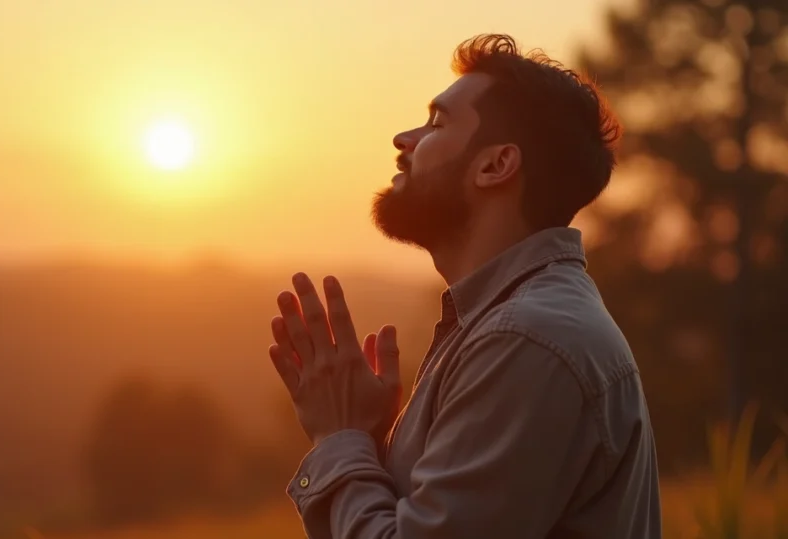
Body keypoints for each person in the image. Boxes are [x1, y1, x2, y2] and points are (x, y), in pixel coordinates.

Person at [266, 33, 661, 538]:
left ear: (496, 165)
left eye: (437, 123)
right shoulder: (508, 324)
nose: (403, 138)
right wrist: (371, 441)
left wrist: (338, 438)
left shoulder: (525, 340)